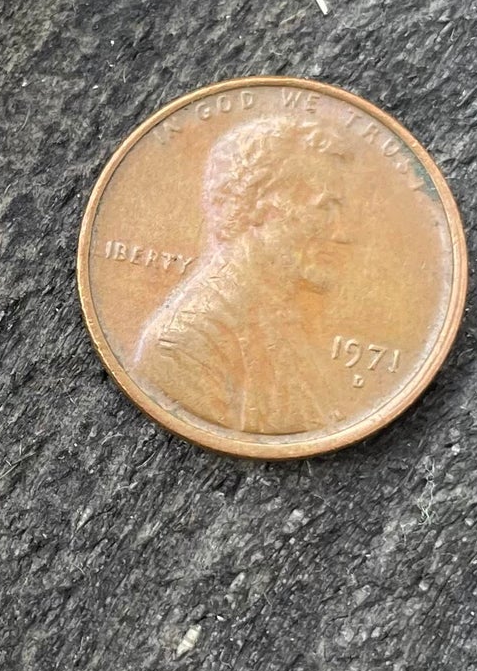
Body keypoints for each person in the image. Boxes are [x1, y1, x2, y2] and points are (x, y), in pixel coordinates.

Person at [134, 112, 356, 435]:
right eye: (324, 208)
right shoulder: (181, 345)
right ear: (261, 208)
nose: (342, 233)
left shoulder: (280, 321)